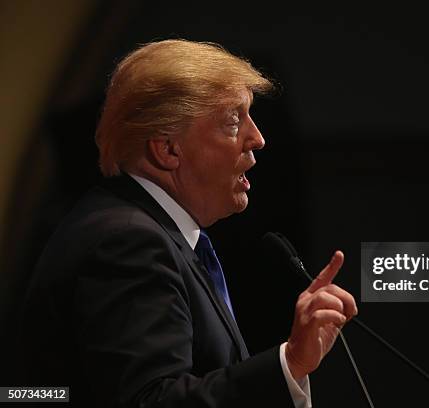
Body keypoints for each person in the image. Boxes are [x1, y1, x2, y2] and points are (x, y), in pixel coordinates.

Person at [20, 39, 357, 408]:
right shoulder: (128, 242)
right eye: (233, 120)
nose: (257, 138)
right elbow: (151, 401)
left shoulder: (145, 231)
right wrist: (288, 365)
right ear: (167, 149)